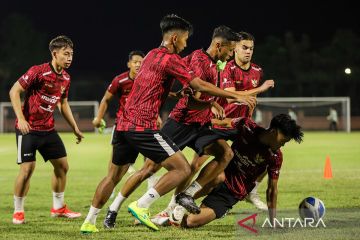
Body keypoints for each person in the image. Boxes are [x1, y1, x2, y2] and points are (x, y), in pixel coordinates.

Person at [80, 14, 254, 233]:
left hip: (123, 125)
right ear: (174, 39)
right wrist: (235, 97)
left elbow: (158, 84)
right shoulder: (173, 59)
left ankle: (89, 221)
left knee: (113, 176)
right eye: (184, 39)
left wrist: (180, 94)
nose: (186, 44)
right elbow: (197, 84)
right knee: (180, 168)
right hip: (145, 126)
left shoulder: (152, 55)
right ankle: (141, 206)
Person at [168, 31, 274, 214]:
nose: (248, 52)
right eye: (243, 48)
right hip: (220, 123)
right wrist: (260, 89)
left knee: (269, 151)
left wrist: (250, 107)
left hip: (240, 125)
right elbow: (231, 97)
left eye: (251, 48)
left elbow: (249, 100)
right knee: (195, 165)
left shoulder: (257, 71)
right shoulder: (225, 67)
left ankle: (252, 190)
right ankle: (173, 204)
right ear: (234, 49)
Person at [170, 114, 304, 228]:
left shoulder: (275, 157)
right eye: (283, 140)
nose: (283, 144)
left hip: (232, 193)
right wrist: (201, 122)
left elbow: (272, 189)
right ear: (274, 132)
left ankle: (173, 217)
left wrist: (273, 220)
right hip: (218, 176)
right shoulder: (247, 127)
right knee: (219, 176)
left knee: (191, 222)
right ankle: (180, 204)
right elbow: (225, 122)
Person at [9, 35, 83, 225]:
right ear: (54, 53)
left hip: (48, 130)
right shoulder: (38, 72)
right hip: (28, 129)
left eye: (71, 54)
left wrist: (74, 127)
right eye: (66, 54)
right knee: (27, 170)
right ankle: (18, 211)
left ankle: (58, 208)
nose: (69, 58)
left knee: (62, 166)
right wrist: (21, 118)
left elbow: (63, 103)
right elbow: (14, 91)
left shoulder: (66, 77)